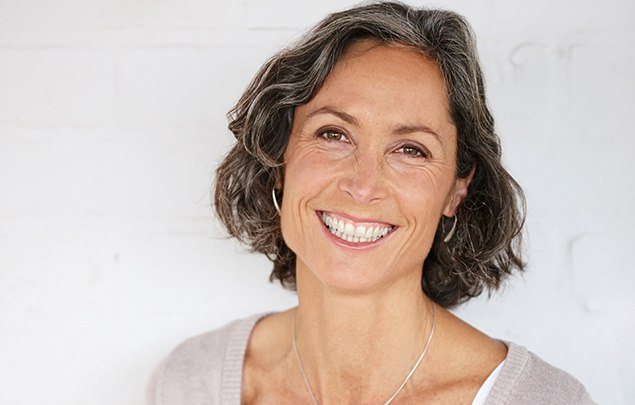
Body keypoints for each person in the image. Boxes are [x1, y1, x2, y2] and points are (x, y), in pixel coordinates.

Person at [146, 2, 596, 404]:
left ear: (456, 189)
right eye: (333, 134)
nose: (363, 186)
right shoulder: (190, 382)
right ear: (278, 157)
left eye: (410, 150)